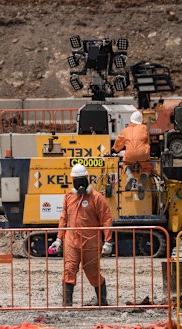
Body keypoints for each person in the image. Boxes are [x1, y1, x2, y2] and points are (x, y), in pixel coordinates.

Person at [49, 164, 114, 307]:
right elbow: (63, 219)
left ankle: (102, 301)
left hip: (91, 243)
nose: (79, 183)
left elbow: (106, 219)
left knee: (93, 273)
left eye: (81, 179)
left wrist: (108, 241)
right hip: (71, 242)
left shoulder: (97, 198)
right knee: (69, 270)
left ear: (86, 179)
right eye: (76, 180)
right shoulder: (69, 197)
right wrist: (59, 239)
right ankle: (67, 303)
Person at [112, 110, 151, 197]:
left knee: (125, 163)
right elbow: (147, 142)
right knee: (146, 168)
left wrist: (114, 150)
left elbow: (118, 144)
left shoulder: (125, 130)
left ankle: (130, 176)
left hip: (130, 155)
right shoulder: (144, 128)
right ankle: (141, 183)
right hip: (142, 154)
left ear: (131, 120)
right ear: (141, 121)